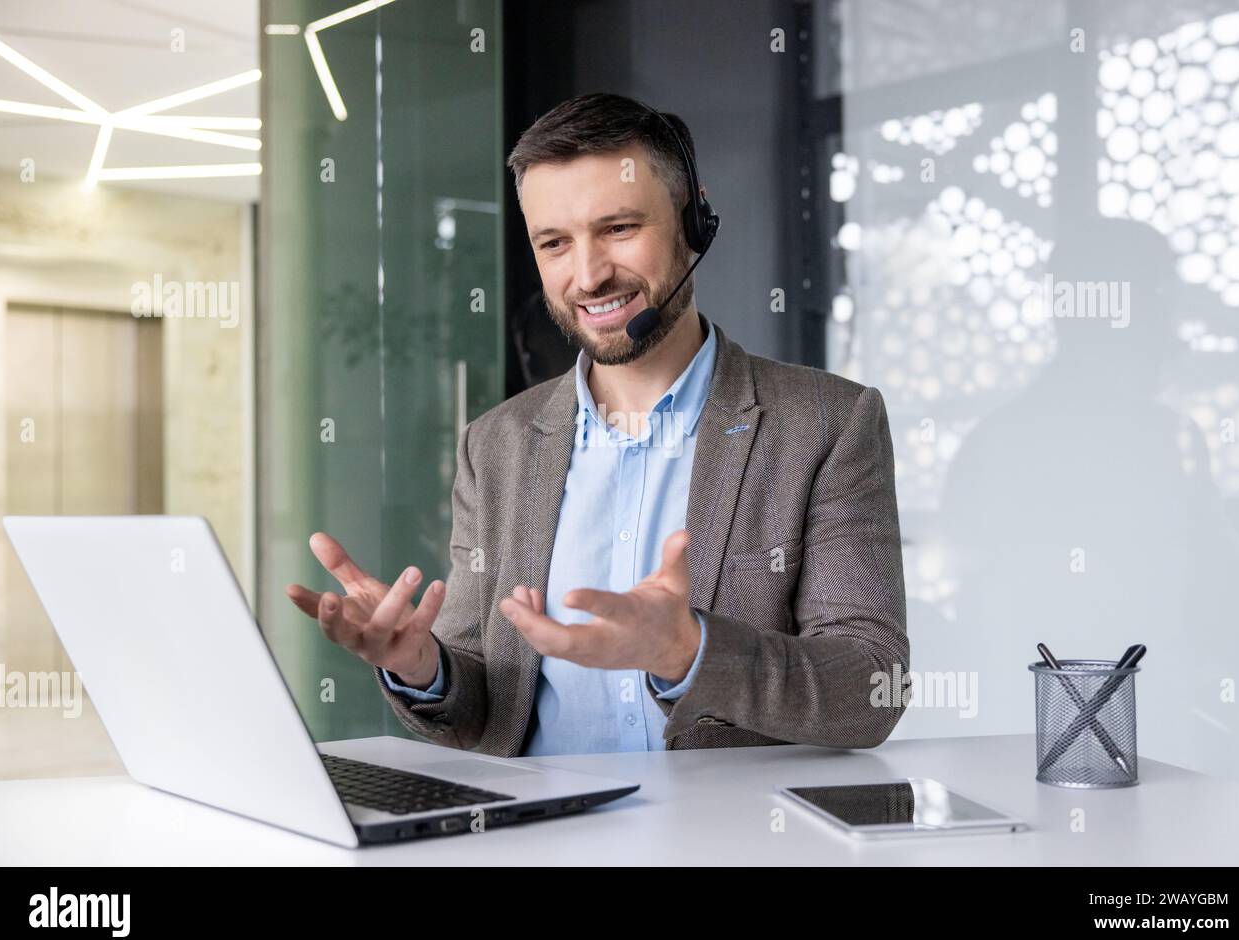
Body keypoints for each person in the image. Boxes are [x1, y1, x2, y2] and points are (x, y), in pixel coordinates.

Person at [285, 93, 908, 757]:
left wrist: (690, 650)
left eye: (618, 228)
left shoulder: (825, 424)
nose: (588, 275)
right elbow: (486, 704)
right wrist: (421, 666)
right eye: (554, 242)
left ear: (692, 221)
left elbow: (874, 684)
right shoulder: (493, 446)